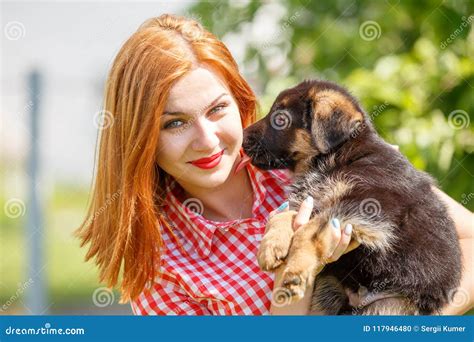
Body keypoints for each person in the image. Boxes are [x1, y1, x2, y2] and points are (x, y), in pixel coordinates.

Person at [76, 14, 473, 315]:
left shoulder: (308, 158)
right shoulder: (162, 269)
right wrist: (298, 267)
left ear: (239, 100)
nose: (208, 140)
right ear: (140, 137)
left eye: (217, 109)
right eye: (174, 123)